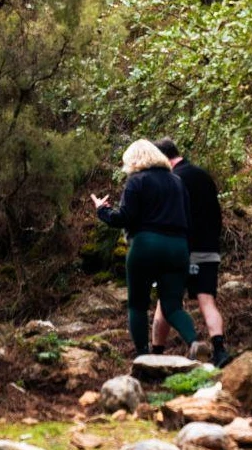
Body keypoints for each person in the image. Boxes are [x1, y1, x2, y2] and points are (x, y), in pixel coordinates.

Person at [91, 139, 202, 358]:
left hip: (146, 245)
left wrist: (103, 210)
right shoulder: (177, 181)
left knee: (138, 304)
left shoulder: (136, 181)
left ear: (133, 160)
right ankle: (195, 342)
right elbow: (188, 219)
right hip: (178, 247)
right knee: (172, 306)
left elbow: (124, 218)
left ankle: (143, 355)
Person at [149, 138, 232, 366]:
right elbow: (216, 214)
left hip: (178, 251)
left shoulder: (172, 179)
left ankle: (155, 354)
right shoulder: (202, 175)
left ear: (162, 158)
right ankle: (220, 351)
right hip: (208, 248)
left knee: (165, 304)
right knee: (207, 300)